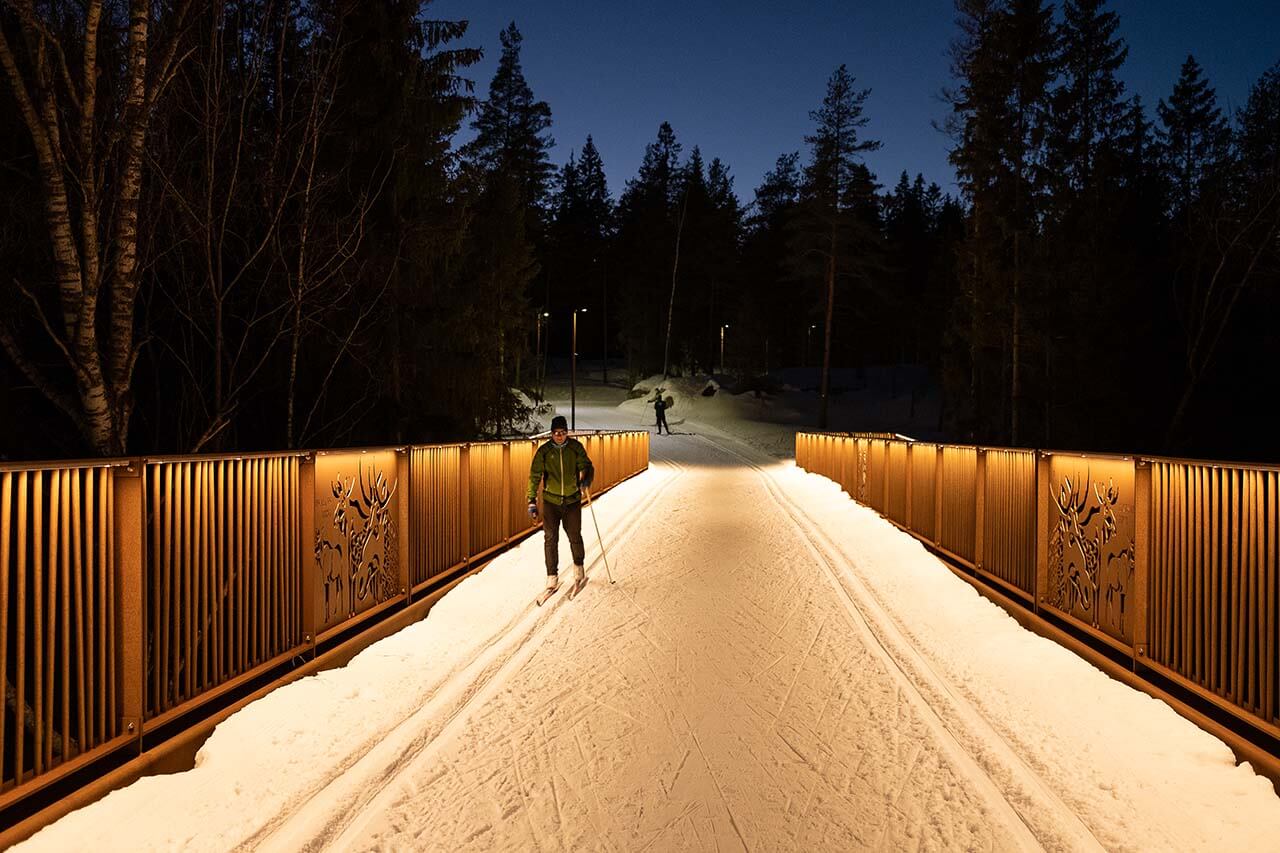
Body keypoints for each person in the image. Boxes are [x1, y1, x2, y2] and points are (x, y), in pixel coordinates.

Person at [527, 415, 594, 594]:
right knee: (550, 539)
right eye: (556, 433)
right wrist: (531, 500)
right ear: (551, 433)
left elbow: (587, 466)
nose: (559, 436)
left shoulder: (575, 448)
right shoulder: (544, 451)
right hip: (551, 501)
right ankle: (551, 576)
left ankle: (578, 567)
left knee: (574, 536)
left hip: (572, 500)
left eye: (563, 433)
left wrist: (585, 480)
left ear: (567, 432)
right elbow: (534, 476)